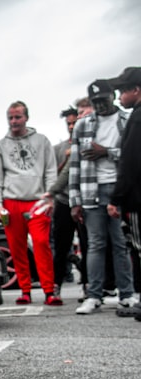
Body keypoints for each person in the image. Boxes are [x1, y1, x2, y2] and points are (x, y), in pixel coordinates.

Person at [70, 79, 137, 315]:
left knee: (120, 244)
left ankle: (127, 294)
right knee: (95, 245)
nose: (100, 105)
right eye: (95, 101)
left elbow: (132, 156)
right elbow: (75, 165)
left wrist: (106, 152)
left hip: (119, 189)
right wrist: (74, 201)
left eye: (104, 100)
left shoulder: (126, 120)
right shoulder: (82, 125)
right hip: (91, 191)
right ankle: (94, 295)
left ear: (112, 96)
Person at [0, 101, 60, 305]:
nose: (14, 121)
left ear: (26, 117)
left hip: (37, 201)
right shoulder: (0, 146)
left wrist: (49, 197)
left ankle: (49, 290)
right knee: (17, 248)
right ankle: (25, 290)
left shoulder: (42, 141)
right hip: (11, 202)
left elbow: (50, 171)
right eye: (10, 118)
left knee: (41, 243)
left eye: (17, 117)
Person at [105, 66, 141, 320]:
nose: (118, 97)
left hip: (138, 197)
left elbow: (129, 161)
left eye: (121, 91)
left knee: (139, 247)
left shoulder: (137, 118)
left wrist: (117, 198)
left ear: (135, 90)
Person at [47, 105, 80, 295]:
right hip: (63, 200)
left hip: (83, 200)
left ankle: (88, 285)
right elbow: (52, 175)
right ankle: (56, 284)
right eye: (69, 123)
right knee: (60, 246)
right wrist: (65, 160)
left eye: (74, 122)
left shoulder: (86, 144)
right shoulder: (59, 148)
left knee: (89, 244)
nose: (71, 126)